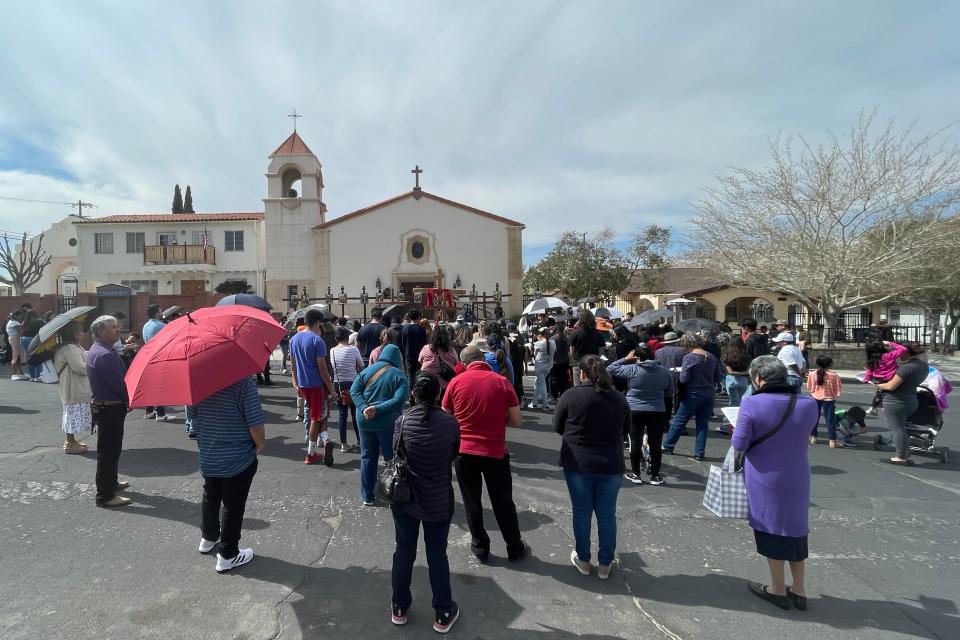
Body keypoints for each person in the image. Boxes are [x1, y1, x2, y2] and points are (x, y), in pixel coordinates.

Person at [732, 356, 818, 611]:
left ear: (758, 378)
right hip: (798, 473)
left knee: (770, 527)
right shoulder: (808, 404)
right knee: (796, 529)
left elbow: (739, 443)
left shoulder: (752, 403)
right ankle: (799, 589)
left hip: (764, 475)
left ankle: (777, 588)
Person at [389, 372, 462, 633]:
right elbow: (454, 452)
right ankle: (443, 611)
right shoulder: (450, 423)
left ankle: (399, 605)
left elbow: (396, 450)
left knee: (404, 551)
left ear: (413, 395)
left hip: (406, 497)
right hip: (438, 497)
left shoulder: (403, 421)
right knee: (437, 555)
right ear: (438, 395)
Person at [442, 345, 525, 563]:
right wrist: (498, 419)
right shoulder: (502, 382)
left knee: (472, 501)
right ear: (483, 359)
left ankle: (480, 547)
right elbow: (517, 420)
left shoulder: (456, 383)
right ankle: (514, 546)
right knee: (503, 501)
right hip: (495, 451)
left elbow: (446, 417)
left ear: (465, 363)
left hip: (464, 451)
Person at [553, 354, 629, 579]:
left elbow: (558, 425)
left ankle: (584, 558)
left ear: (582, 373)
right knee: (607, 514)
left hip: (578, 462)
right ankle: (605, 562)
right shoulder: (619, 398)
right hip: (610, 463)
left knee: (582, 511)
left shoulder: (572, 395)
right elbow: (625, 430)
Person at [189, 376, 266, 573]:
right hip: (237, 456)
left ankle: (208, 536)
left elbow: (194, 419)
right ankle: (228, 554)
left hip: (209, 452)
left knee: (211, 494)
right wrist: (260, 444)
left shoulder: (197, 382)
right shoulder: (243, 383)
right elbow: (255, 423)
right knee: (233, 504)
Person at [350, 344, 410, 505]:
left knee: (367, 457)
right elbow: (400, 399)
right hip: (387, 422)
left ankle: (367, 496)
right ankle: (392, 493)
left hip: (364, 420)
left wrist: (364, 408)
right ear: (398, 358)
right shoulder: (399, 375)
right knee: (391, 459)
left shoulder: (367, 370)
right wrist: (378, 409)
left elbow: (354, 391)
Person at [606, 344, 672, 485]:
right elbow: (669, 392)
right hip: (657, 410)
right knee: (656, 443)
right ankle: (655, 475)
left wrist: (626, 358)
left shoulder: (633, 369)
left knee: (635, 442)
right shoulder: (664, 372)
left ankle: (636, 474)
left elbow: (610, 368)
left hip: (635, 409)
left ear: (638, 357)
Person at [86, 315, 132, 508]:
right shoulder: (103, 354)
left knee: (112, 450)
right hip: (109, 407)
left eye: (117, 326)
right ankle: (105, 495)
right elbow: (120, 384)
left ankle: (111, 482)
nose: (117, 329)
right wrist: (132, 398)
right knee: (108, 451)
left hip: (109, 407)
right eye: (113, 327)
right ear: (100, 331)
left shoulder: (104, 350)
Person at [662, 333, 725, 461]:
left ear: (686, 344)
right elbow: (719, 377)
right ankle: (699, 453)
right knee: (702, 424)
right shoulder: (711, 356)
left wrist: (678, 372)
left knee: (679, 420)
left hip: (693, 393)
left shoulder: (689, 357)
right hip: (709, 393)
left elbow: (684, 379)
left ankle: (668, 446)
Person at [289, 308, 337, 466]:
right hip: (316, 384)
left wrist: (295, 382)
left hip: (303, 384)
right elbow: (323, 369)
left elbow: (294, 365)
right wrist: (331, 389)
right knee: (316, 417)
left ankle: (325, 440)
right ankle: (310, 453)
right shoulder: (317, 341)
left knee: (319, 414)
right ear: (317, 322)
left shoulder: (294, 339)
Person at [874, 342, 930, 465]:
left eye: (898, 352)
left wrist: (876, 384)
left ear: (905, 351)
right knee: (902, 428)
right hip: (911, 400)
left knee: (897, 429)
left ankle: (901, 457)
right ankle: (906, 454)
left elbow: (891, 386)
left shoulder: (906, 367)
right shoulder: (923, 366)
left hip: (896, 402)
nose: (896, 355)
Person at [53, 322, 92, 454]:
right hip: (73, 387)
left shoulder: (71, 346)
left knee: (72, 413)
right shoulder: (70, 348)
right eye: (79, 330)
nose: (82, 333)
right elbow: (80, 368)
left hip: (73, 386)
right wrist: (93, 364)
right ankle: (70, 443)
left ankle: (71, 441)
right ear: (72, 332)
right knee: (72, 414)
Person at [330, 327, 363, 453]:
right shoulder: (353, 349)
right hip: (353, 383)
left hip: (338, 384)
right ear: (347, 337)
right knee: (356, 413)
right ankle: (360, 439)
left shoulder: (332, 351)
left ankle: (343, 444)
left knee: (342, 415)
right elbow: (361, 365)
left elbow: (333, 367)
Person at [141, 305, 172, 422]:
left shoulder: (146, 325)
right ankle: (160, 413)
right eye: (160, 311)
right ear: (156, 314)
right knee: (160, 386)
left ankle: (149, 411)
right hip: (159, 357)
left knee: (151, 385)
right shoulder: (161, 325)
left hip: (148, 357)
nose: (162, 312)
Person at [862, 340, 909, 415]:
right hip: (890, 379)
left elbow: (870, 370)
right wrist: (890, 343)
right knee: (890, 395)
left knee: (880, 394)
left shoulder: (871, 359)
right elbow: (903, 349)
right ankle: (879, 408)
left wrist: (866, 379)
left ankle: (874, 407)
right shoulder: (889, 355)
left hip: (877, 380)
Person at [806, 355, 844, 447]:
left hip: (815, 397)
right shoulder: (834, 375)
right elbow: (837, 389)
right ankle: (832, 440)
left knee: (814, 418)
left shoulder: (812, 374)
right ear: (830, 364)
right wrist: (833, 395)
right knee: (830, 420)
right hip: (829, 399)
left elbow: (809, 387)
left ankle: (813, 437)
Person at [418, 324, 459, 399]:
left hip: (427, 382)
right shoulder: (451, 350)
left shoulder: (426, 348)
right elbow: (456, 363)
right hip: (445, 384)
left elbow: (420, 360)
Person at [569, 310, 605, 383]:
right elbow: (601, 352)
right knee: (593, 384)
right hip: (593, 363)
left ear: (580, 320)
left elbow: (572, 352)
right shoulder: (599, 333)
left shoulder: (575, 333)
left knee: (578, 385)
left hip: (579, 362)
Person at [721, 337, 752, 407]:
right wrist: (746, 373)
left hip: (731, 380)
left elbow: (730, 372)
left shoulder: (727, 356)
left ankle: (732, 416)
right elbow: (749, 370)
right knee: (740, 400)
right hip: (744, 381)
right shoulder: (746, 355)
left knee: (734, 401)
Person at [530, 327, 556, 410]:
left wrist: (532, 348)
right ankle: (534, 403)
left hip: (539, 366)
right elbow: (555, 351)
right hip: (549, 366)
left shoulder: (538, 343)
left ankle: (545, 404)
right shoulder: (553, 342)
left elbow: (534, 354)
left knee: (542, 384)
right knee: (537, 383)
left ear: (540, 335)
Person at [400, 309, 428, 378]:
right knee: (419, 376)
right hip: (420, 356)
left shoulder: (405, 329)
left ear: (409, 317)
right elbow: (425, 344)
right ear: (418, 317)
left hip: (408, 356)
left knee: (410, 377)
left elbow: (403, 343)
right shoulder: (422, 330)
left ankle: (410, 389)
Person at [550, 321, 571, 401]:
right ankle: (563, 394)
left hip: (554, 361)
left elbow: (552, 351)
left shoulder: (552, 339)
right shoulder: (566, 339)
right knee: (564, 379)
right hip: (565, 361)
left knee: (554, 379)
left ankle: (554, 396)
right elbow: (568, 350)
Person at [21, 309, 44, 381]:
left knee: (29, 358)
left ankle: (32, 376)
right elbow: (44, 329)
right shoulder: (39, 321)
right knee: (38, 356)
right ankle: (38, 376)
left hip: (24, 339)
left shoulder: (24, 322)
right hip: (35, 339)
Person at [6, 309, 28, 380]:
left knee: (18, 356)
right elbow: (20, 332)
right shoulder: (15, 322)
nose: (21, 317)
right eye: (21, 316)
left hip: (13, 338)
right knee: (16, 356)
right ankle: (14, 374)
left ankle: (20, 373)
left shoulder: (10, 321)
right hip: (16, 339)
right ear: (17, 315)